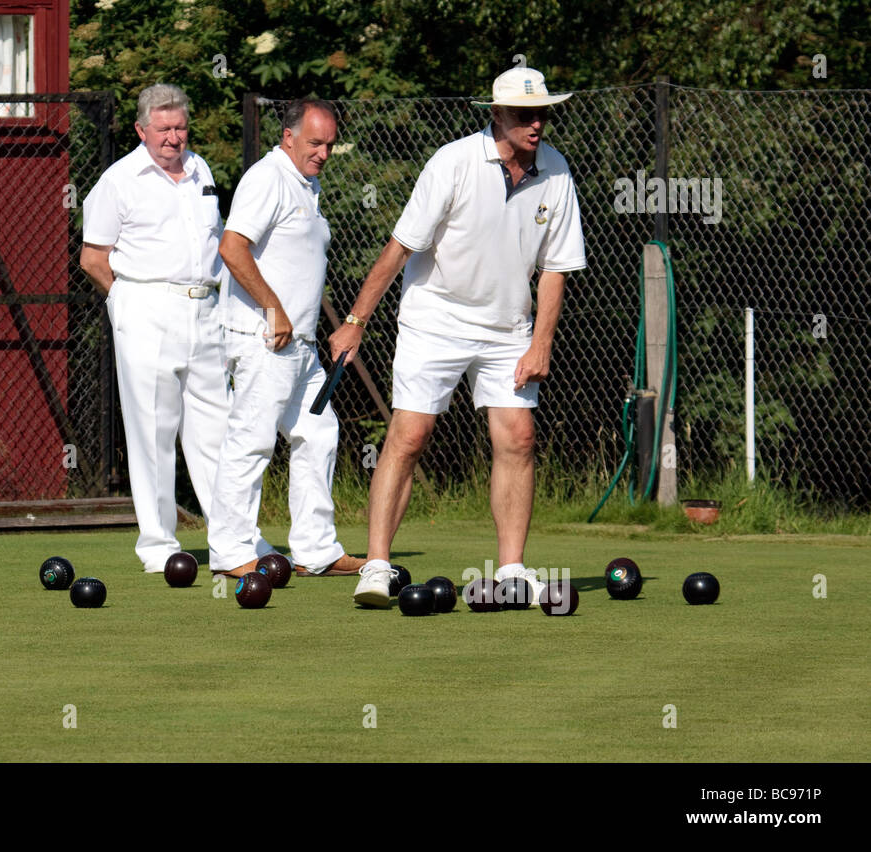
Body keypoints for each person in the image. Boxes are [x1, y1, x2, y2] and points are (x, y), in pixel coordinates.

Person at [327, 67, 587, 608]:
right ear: (496, 115)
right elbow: (399, 248)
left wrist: (541, 344)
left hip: (508, 327)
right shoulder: (453, 162)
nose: (536, 124)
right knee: (411, 435)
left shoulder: (557, 172)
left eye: (542, 113)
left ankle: (512, 570)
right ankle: (376, 567)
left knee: (518, 437)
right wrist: (356, 320)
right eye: (523, 114)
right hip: (436, 318)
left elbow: (557, 269)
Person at [80, 84, 275, 572]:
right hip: (147, 307)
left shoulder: (201, 170)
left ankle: (234, 539)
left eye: (180, 127)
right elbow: (93, 258)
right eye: (163, 129)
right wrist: (124, 303)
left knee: (219, 431)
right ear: (141, 130)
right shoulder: (118, 180)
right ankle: (158, 545)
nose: (173, 138)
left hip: (205, 309)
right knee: (152, 430)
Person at [207, 98, 366, 578]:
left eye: (330, 145)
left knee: (319, 435)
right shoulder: (268, 177)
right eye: (314, 143)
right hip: (264, 339)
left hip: (301, 346)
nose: (323, 153)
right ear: (288, 136)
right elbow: (232, 248)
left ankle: (316, 551)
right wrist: (273, 310)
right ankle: (231, 553)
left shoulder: (306, 184)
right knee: (252, 441)